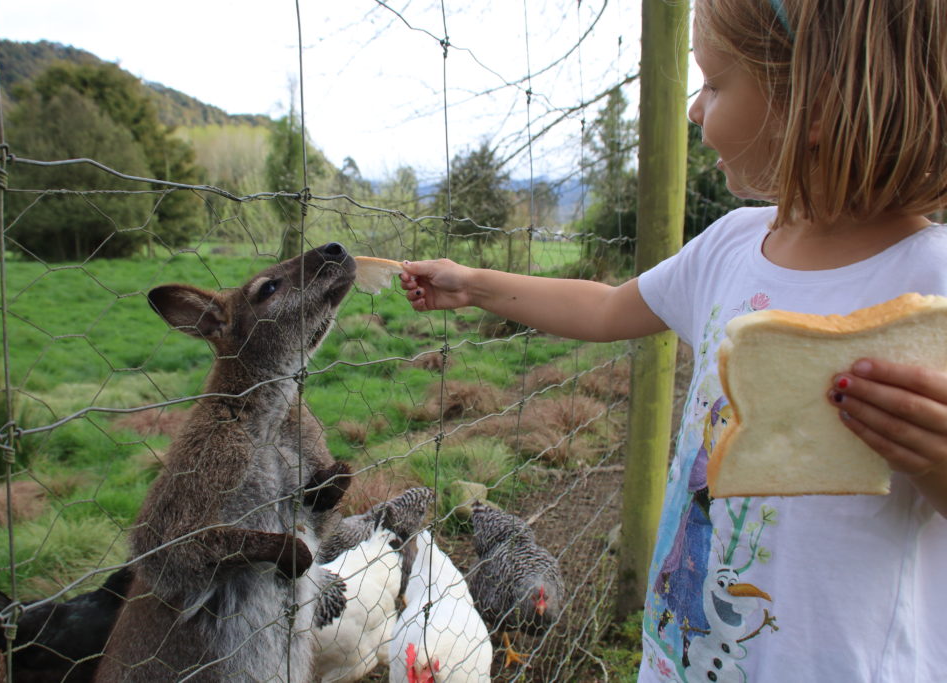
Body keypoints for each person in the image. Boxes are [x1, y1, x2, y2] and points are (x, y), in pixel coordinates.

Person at [398, 0, 947, 680]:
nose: (694, 108)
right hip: (686, 654)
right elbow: (605, 309)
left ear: (815, 98)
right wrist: (472, 283)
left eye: (715, 83)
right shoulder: (734, 245)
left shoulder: (932, 281)